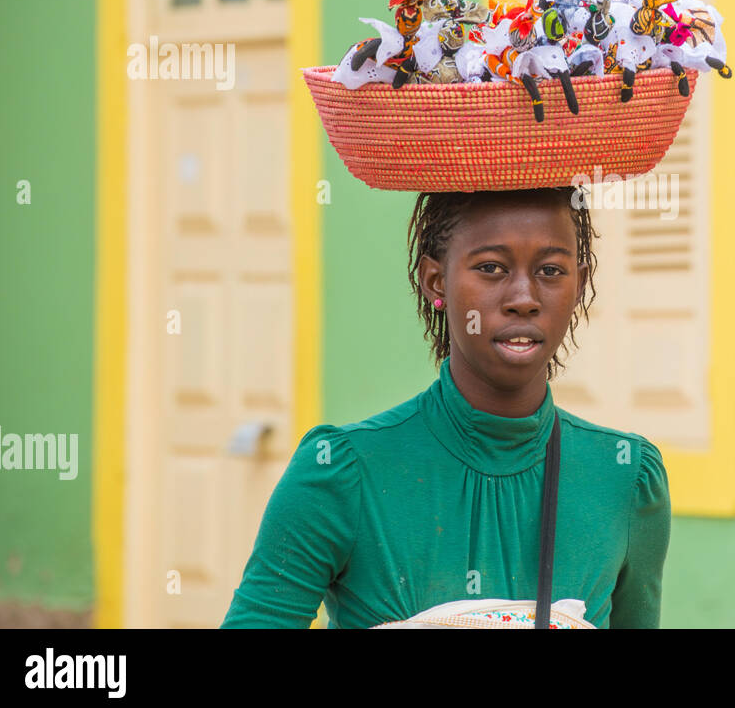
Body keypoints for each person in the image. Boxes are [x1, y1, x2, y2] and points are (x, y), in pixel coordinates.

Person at [221, 187, 671, 628]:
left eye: (551, 270)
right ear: (436, 280)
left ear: (581, 284)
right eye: (492, 268)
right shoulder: (343, 474)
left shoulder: (624, 478)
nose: (524, 299)